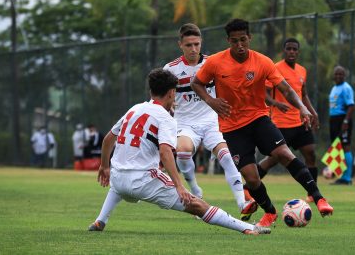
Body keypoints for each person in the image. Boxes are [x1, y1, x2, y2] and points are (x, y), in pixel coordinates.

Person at [88, 68, 269, 235]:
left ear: (151, 91)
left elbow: (107, 140)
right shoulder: (165, 118)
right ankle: (247, 228)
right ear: (172, 93)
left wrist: (104, 166)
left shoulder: (134, 109)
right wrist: (179, 186)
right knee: (197, 205)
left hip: (117, 179)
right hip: (142, 181)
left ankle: (100, 221)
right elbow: (165, 152)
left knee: (120, 185)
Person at [191, 18, 333, 227]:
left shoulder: (263, 62)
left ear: (249, 38)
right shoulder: (215, 62)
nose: (239, 45)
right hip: (232, 128)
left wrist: (302, 108)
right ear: (228, 41)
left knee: (284, 154)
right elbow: (196, 83)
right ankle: (270, 212)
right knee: (252, 178)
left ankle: (319, 198)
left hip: (259, 119)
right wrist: (211, 101)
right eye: (234, 41)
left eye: (243, 40)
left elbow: (285, 88)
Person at [162, 23, 255, 215]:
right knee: (184, 151)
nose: (193, 49)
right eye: (188, 45)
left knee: (227, 156)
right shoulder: (170, 69)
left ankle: (242, 203)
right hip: (185, 122)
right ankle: (195, 190)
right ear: (180, 45)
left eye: (196, 44)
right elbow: (162, 97)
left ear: (201, 42)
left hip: (212, 119)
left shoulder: (212, 62)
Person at [250, 37, 320, 203]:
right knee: (275, 159)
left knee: (310, 153)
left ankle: (313, 192)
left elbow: (304, 95)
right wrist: (275, 103)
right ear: (284, 50)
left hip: (300, 121)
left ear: (298, 52)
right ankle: (249, 187)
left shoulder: (302, 70)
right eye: (288, 49)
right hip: (281, 123)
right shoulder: (275, 68)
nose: (292, 52)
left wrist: (313, 112)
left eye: (295, 49)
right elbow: (264, 93)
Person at [328, 65, 355, 185]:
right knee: (336, 147)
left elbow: (351, 106)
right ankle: (338, 174)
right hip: (334, 119)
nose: (338, 76)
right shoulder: (334, 88)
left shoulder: (346, 88)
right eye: (336, 74)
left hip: (342, 119)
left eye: (341, 74)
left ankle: (347, 178)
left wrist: (345, 122)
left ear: (345, 76)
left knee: (345, 146)